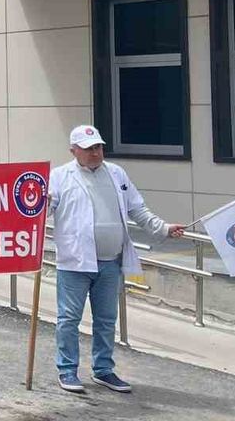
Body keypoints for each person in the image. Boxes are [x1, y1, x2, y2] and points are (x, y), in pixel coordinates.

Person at [50, 125, 185, 394]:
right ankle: (67, 370)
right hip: (75, 262)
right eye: (89, 149)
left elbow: (137, 209)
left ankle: (103, 369)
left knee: (106, 319)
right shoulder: (59, 177)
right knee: (68, 319)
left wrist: (163, 228)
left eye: (98, 147)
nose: (95, 153)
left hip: (110, 261)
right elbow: (42, 210)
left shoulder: (116, 173)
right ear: (73, 150)